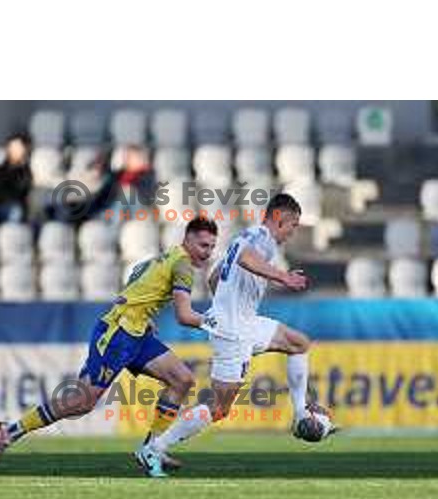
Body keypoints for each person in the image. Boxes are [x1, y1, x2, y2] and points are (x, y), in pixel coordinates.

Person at [0, 217, 219, 469]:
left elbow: (136, 275)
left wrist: (142, 313)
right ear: (187, 239)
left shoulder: (165, 256)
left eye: (211, 247)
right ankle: (10, 432)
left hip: (136, 332)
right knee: (83, 400)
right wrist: (218, 325)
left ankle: (152, 450)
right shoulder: (183, 264)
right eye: (203, 245)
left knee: (182, 379)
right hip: (118, 334)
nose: (207, 253)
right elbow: (184, 315)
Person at [136, 193, 335, 478]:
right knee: (219, 408)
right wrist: (283, 277)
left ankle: (301, 413)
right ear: (280, 219)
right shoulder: (262, 239)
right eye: (293, 226)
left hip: (244, 323)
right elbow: (243, 258)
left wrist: (227, 304)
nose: (292, 233)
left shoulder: (246, 236)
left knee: (298, 343)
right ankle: (155, 448)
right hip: (233, 332)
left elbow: (215, 276)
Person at [0, 133, 32, 226]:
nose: (14, 150)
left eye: (18, 147)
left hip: (13, 208)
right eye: (11, 146)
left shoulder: (26, 172)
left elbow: (20, 192)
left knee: (16, 211)